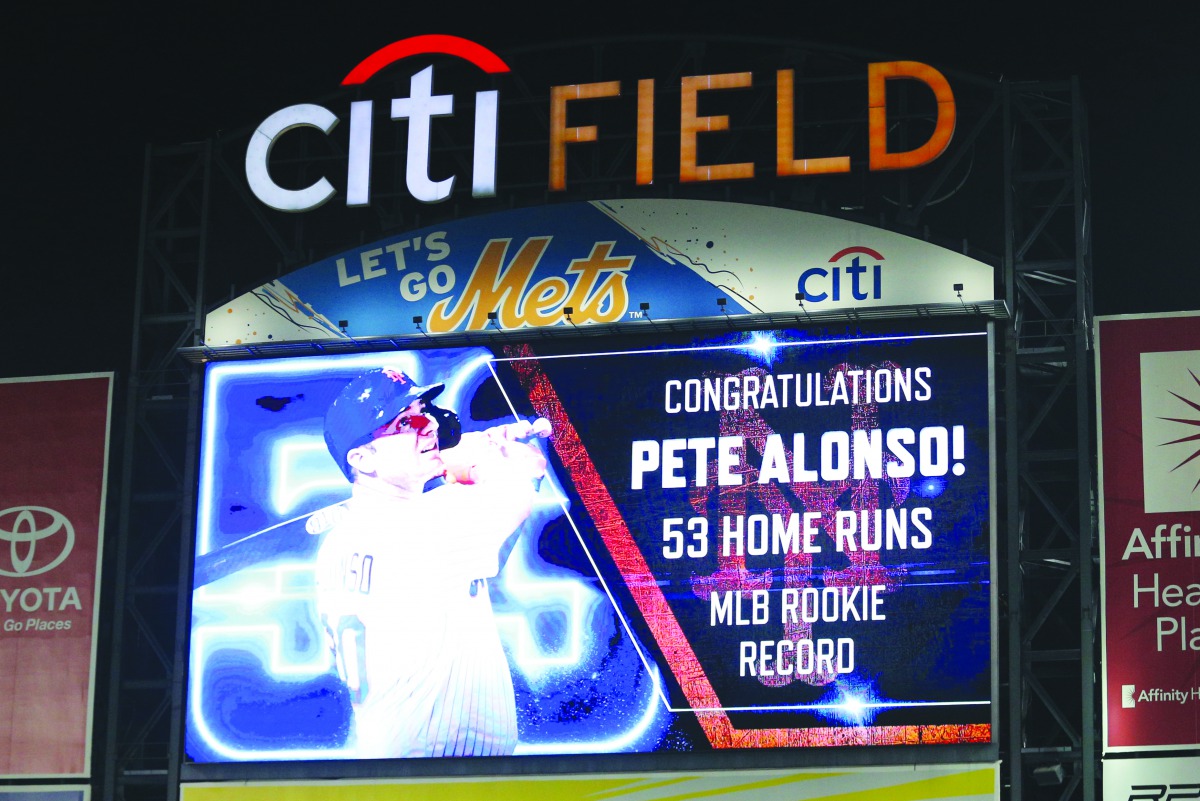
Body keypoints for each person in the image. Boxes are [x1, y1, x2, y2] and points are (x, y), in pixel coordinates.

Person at [315, 366, 551, 758]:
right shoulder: (429, 525)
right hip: (444, 772)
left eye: (424, 409)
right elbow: (526, 470)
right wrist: (489, 454)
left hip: (391, 763)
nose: (427, 424)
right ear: (362, 457)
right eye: (403, 421)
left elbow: (465, 523)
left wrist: (469, 456)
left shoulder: (338, 542)